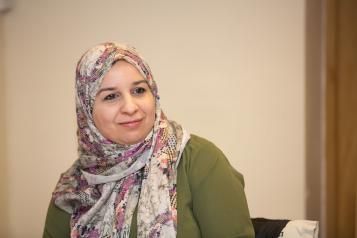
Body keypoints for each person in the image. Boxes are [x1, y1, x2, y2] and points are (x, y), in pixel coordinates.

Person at [43, 42, 255, 238]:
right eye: (111, 96)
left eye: (139, 90)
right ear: (87, 112)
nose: (130, 107)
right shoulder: (73, 187)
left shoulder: (199, 160)